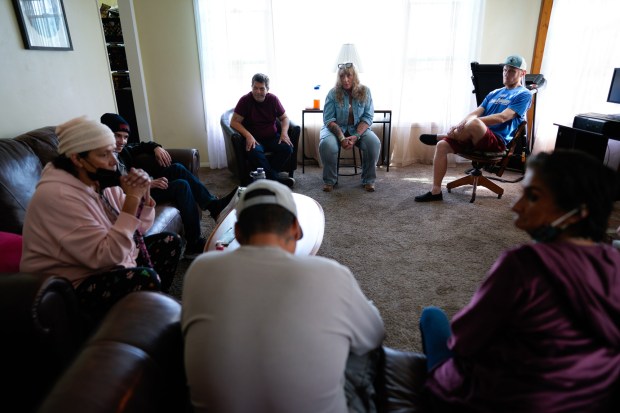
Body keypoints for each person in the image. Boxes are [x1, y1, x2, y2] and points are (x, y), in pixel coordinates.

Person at [418, 150, 620, 412]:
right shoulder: (615, 262)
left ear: (576, 213)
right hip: (585, 399)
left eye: (533, 197)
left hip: (509, 399)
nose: (516, 206)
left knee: (432, 317)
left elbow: (465, 340)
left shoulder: (524, 264)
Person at [182, 179, 385, 413]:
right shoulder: (331, 274)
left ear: (237, 232)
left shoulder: (200, 269)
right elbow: (374, 334)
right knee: (360, 350)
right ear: (297, 230)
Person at [20, 116, 182, 322]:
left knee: (169, 242)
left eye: (113, 151)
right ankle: (143, 315)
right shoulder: (57, 196)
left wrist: (144, 194)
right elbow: (106, 256)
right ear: (77, 158)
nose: (114, 162)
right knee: (144, 278)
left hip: (106, 262)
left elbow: (139, 229)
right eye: (104, 154)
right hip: (73, 284)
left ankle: (151, 306)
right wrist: (132, 198)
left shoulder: (100, 180)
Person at [100, 113, 236, 255]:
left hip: (142, 188)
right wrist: (147, 184)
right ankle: (194, 243)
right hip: (131, 196)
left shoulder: (123, 151)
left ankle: (214, 206)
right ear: (106, 134)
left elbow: (142, 145)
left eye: (125, 137)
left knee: (177, 168)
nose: (122, 141)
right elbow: (110, 191)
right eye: (117, 136)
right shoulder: (100, 159)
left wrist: (156, 148)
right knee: (181, 186)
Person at [415, 55, 533, 202]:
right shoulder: (494, 93)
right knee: (442, 145)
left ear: (522, 73)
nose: (506, 74)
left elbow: (502, 117)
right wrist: (460, 124)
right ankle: (435, 191)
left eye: (511, 71)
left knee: (475, 123)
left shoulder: (524, 94)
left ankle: (441, 135)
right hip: (474, 136)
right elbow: (475, 113)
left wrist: (471, 123)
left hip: (496, 141)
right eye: (505, 70)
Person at [319, 62, 381, 192]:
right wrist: (341, 137)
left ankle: (368, 180)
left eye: (349, 75)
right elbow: (329, 119)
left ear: (355, 76)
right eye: (342, 76)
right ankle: (330, 180)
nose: (345, 80)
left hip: (357, 128)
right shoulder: (333, 93)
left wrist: (357, 135)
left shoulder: (365, 91)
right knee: (327, 145)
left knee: (373, 143)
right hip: (335, 128)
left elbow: (368, 117)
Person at [230, 73, 295, 188]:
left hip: (272, 137)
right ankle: (275, 181)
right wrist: (248, 135)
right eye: (255, 88)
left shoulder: (273, 99)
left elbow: (284, 118)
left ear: (267, 89)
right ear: (252, 87)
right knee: (254, 152)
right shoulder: (245, 100)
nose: (258, 92)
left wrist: (284, 133)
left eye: (261, 88)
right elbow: (234, 122)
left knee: (287, 148)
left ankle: (269, 177)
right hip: (254, 139)